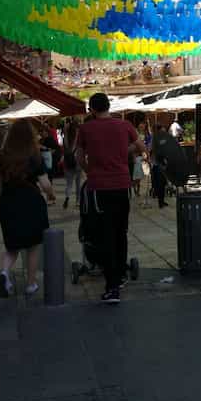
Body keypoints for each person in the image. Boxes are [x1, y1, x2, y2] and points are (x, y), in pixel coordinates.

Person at [76, 93, 147, 304]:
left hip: (99, 188)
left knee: (104, 235)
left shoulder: (85, 129)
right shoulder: (125, 126)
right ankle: (121, 274)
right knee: (120, 231)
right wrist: (124, 150)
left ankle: (112, 287)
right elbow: (142, 148)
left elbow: (78, 156)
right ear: (109, 106)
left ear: (91, 109)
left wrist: (89, 171)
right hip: (122, 186)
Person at [0, 119, 55, 298]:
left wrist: (7, 199)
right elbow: (45, 184)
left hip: (8, 202)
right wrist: (51, 195)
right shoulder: (34, 156)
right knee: (33, 246)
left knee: (12, 246)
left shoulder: (2, 156)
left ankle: (4, 273)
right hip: (31, 203)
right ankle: (30, 284)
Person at [61, 121, 81, 209]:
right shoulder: (77, 140)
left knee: (69, 183)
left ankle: (67, 197)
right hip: (77, 163)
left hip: (68, 163)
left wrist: (65, 130)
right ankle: (78, 201)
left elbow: (64, 149)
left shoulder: (65, 140)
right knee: (78, 183)